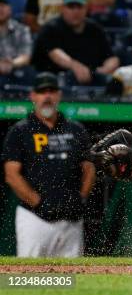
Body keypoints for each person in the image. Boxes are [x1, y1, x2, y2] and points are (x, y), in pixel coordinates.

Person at [1, 72, 95, 257]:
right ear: (33, 96)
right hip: (34, 218)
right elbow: (11, 175)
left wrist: (80, 199)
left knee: (74, 278)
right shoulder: (20, 130)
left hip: (71, 219)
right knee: (31, 277)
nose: (47, 96)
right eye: (42, 91)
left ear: (59, 95)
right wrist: (38, 202)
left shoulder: (75, 129)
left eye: (51, 91)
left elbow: (89, 169)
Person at [31, 0, 119, 85]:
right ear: (62, 8)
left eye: (79, 6)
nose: (75, 11)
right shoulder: (51, 28)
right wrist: (75, 66)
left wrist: (102, 71)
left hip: (91, 79)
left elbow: (112, 58)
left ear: (86, 8)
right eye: (71, 6)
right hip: (55, 82)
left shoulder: (95, 29)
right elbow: (55, 53)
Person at [0, 0, 31, 77]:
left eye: (3, 5)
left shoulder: (22, 29)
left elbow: (26, 56)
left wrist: (11, 63)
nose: (0, 9)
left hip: (16, 73)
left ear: (10, 9)